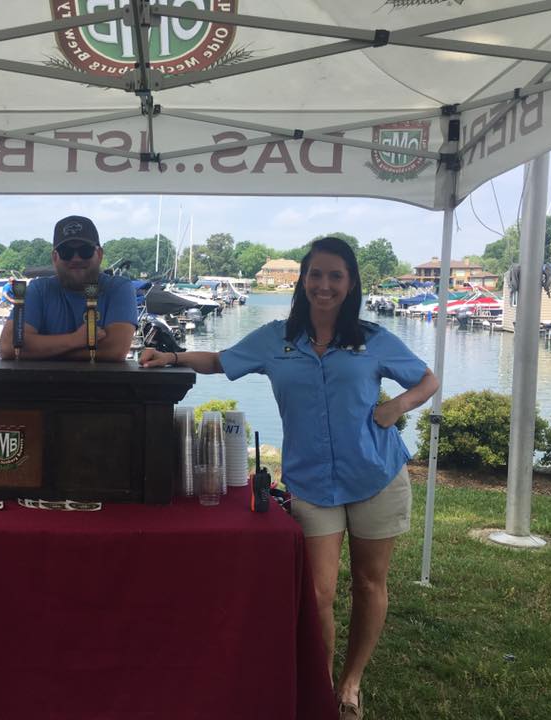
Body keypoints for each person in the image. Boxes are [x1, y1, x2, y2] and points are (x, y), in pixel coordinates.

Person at [139, 236, 438, 720]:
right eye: (315, 274)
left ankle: (351, 682)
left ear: (350, 283)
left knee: (369, 582)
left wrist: (397, 406)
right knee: (318, 592)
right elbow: (219, 361)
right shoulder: (276, 339)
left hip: (376, 474)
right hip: (312, 481)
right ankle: (320, 683)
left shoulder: (372, 338)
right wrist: (171, 358)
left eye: (335, 276)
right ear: (303, 280)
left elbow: (427, 379)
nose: (324, 285)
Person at [0, 215, 137, 361]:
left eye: (85, 251)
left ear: (99, 254)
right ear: (55, 257)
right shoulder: (38, 289)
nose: (76, 258)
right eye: (66, 252)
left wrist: (43, 351)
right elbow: (8, 346)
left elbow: (115, 349)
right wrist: (76, 339)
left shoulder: (119, 288)